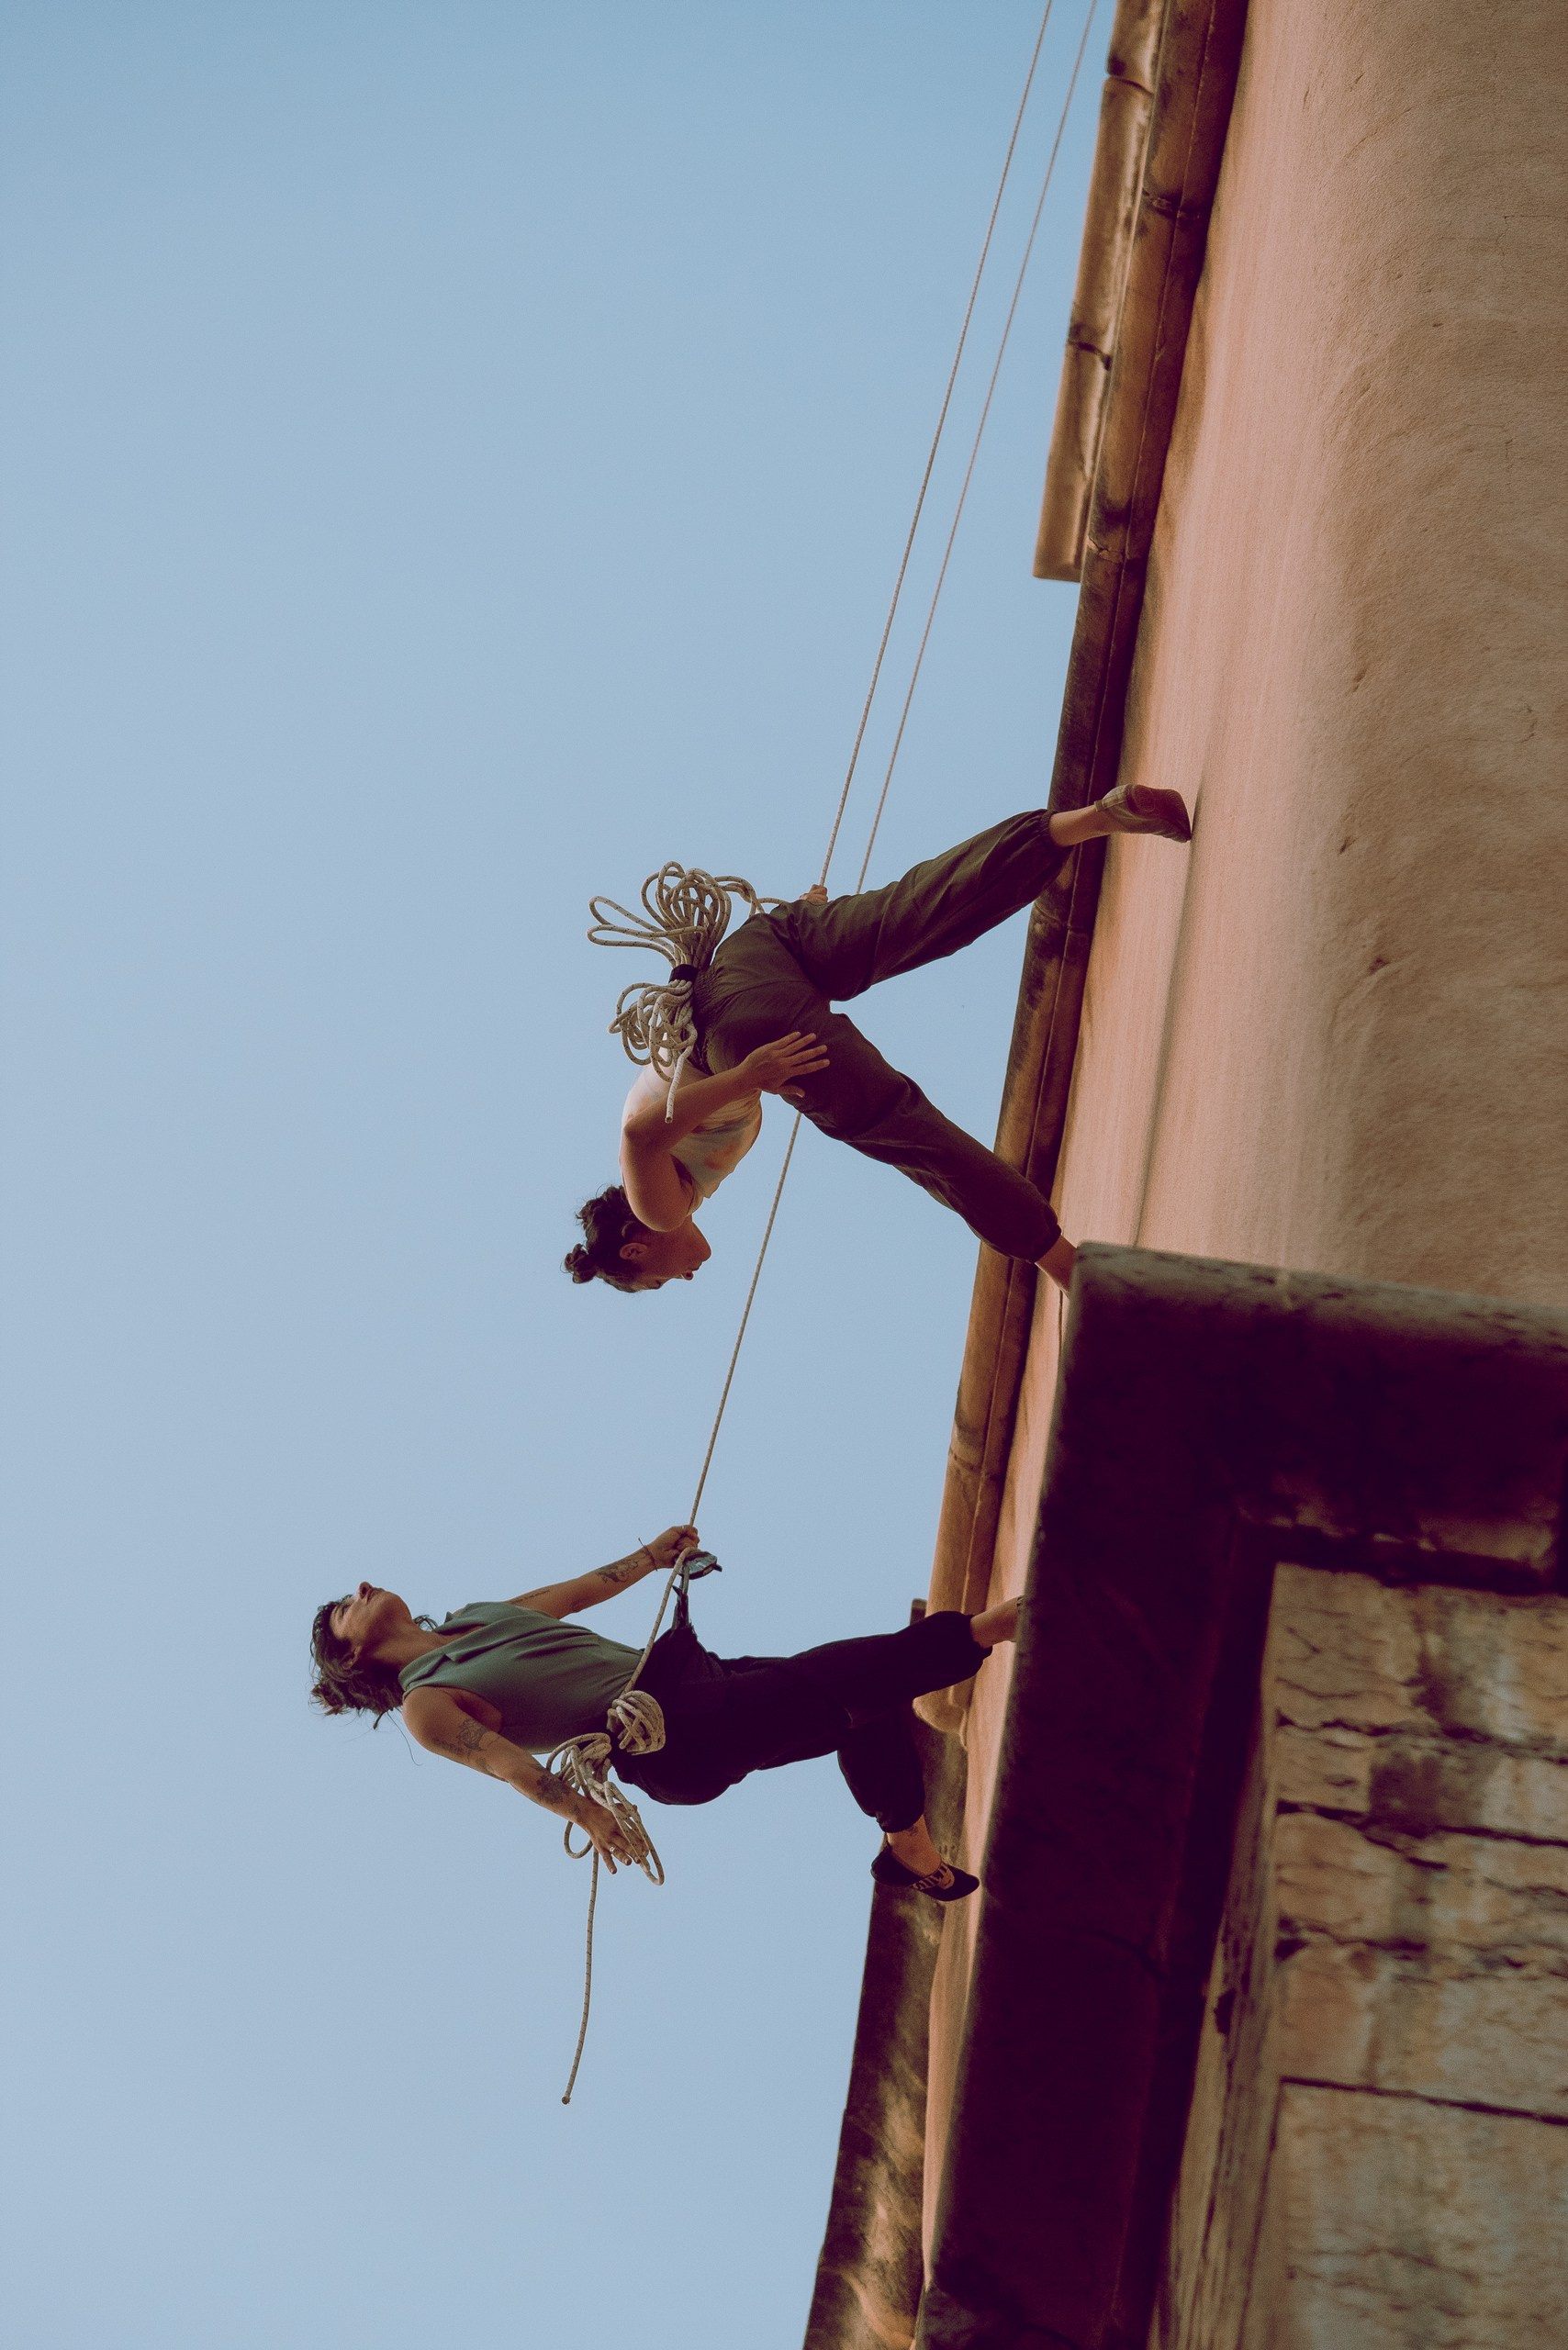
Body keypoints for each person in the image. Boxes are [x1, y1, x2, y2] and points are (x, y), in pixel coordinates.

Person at [564, 789, 1191, 1294]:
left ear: (636, 1249)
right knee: (914, 912)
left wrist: (749, 1078)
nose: (683, 1277)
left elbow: (641, 1136)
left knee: (909, 1135)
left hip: (743, 1035)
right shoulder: (680, 1177)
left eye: (656, 1282)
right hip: (754, 954)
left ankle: (1060, 1263)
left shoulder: (659, 1212)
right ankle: (1088, 820)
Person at [309, 1523, 1019, 1899]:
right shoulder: (426, 1704)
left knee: (867, 1701)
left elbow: (575, 1594)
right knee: (841, 1678)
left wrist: (648, 1557)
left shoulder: (473, 1619)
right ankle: (1003, 1624)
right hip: (672, 1737)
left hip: (688, 1679)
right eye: (347, 1606)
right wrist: (585, 1813)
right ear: (350, 1660)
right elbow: (509, 1765)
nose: (363, 1586)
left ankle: (908, 1850)